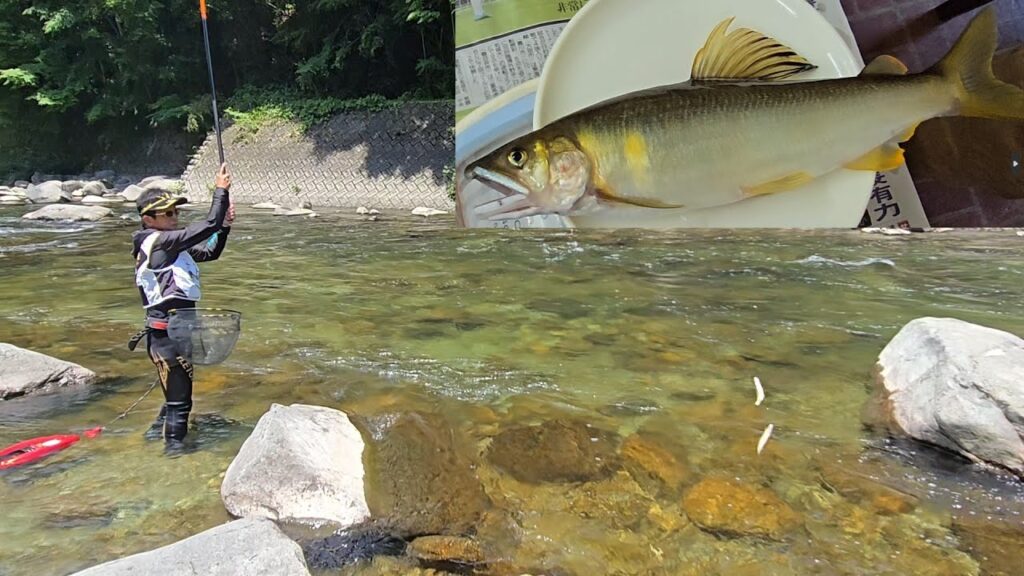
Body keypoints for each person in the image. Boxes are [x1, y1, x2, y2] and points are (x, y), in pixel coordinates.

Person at [128, 163, 235, 448]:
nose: (175, 217)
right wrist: (220, 193)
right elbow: (206, 226)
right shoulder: (159, 244)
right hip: (167, 337)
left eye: (177, 212)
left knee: (176, 395)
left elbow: (210, 251)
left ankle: (153, 435)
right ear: (148, 219)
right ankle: (175, 454)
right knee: (180, 404)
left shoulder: (171, 247)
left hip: (177, 333)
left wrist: (223, 227)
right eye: (169, 213)